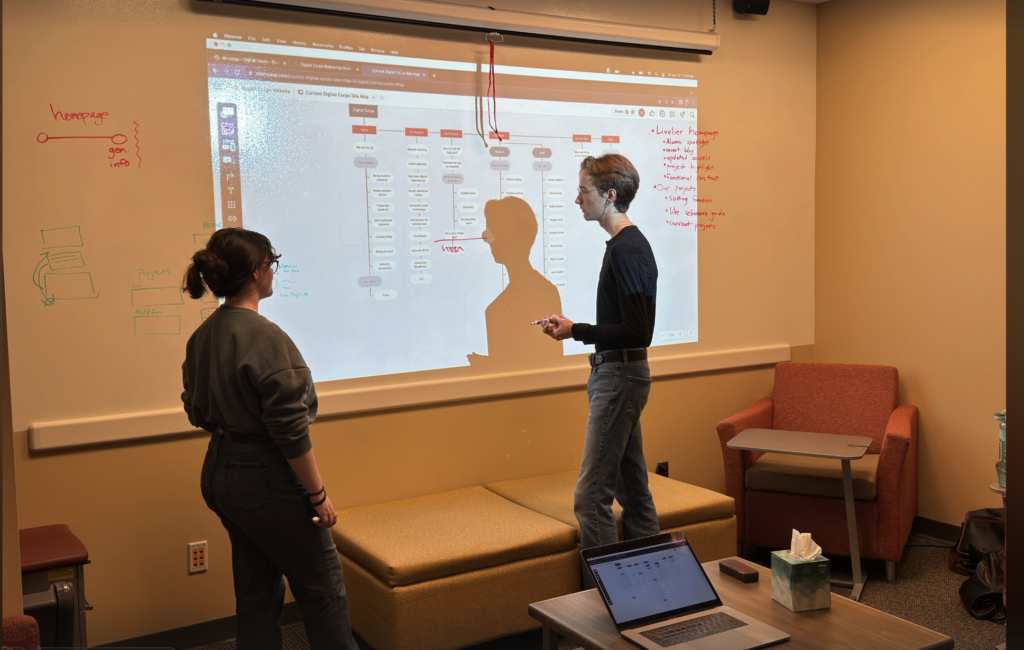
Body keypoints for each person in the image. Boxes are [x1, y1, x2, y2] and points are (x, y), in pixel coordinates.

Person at [180, 228, 359, 650]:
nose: (273, 273)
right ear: (258, 272)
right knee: (323, 590)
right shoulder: (266, 336)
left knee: (255, 589)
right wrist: (317, 496)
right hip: (266, 481)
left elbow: (196, 411)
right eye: (271, 265)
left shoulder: (201, 337)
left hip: (220, 474)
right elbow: (289, 429)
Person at [541, 154, 660, 584]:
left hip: (619, 378)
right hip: (617, 376)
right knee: (634, 492)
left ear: (610, 196)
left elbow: (637, 330)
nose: (577, 199)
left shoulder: (627, 249)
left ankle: (605, 611)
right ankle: (657, 592)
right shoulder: (626, 246)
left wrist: (576, 331)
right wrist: (575, 330)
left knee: (591, 499)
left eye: (584, 191)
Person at [468, 196, 563, 370]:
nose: (485, 238)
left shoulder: (546, 293)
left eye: (491, 230)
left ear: (510, 234)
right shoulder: (495, 310)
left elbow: (552, 363)